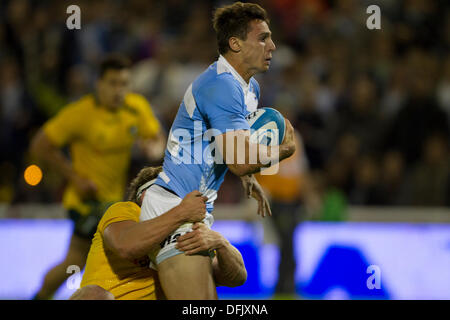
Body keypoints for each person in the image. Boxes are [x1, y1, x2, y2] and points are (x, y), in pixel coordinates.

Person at [139, 2, 296, 299]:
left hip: (196, 210)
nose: (273, 46)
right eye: (263, 38)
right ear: (235, 44)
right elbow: (238, 161)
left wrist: (250, 180)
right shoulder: (221, 85)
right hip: (173, 206)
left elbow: (226, 145)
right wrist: (283, 151)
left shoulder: (249, 89)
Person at [30, 55, 166, 300]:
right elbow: (40, 145)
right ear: (99, 84)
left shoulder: (135, 107)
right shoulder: (80, 114)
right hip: (87, 204)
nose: (118, 91)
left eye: (124, 84)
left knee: (89, 262)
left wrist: (153, 148)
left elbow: (156, 139)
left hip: (115, 204)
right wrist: (75, 178)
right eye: (113, 83)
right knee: (77, 261)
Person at [69, 166, 246, 300]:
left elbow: (235, 278)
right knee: (94, 295)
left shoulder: (187, 229)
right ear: (144, 196)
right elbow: (126, 245)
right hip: (112, 296)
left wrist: (221, 243)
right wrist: (181, 212)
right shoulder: (126, 211)